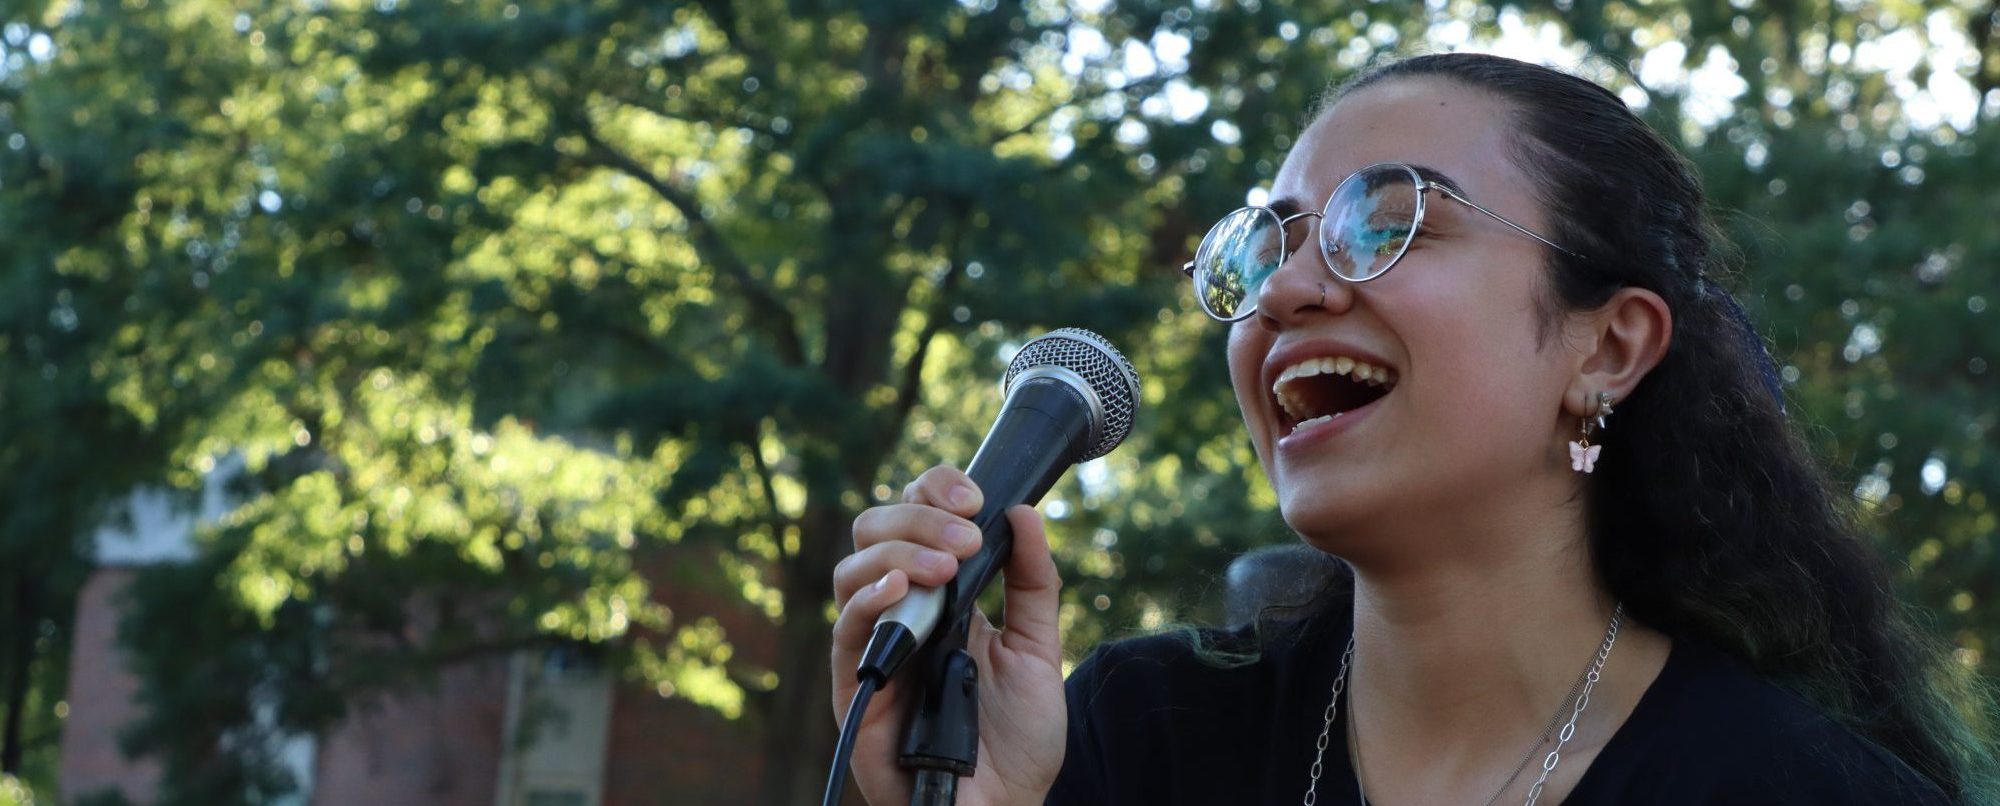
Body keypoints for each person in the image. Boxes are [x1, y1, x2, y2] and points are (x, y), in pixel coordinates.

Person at [829, 52, 1997, 805]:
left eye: (1384, 225)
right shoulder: (1134, 742)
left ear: (1607, 347)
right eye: (1267, 243)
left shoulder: (1800, 790)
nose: (1287, 290)